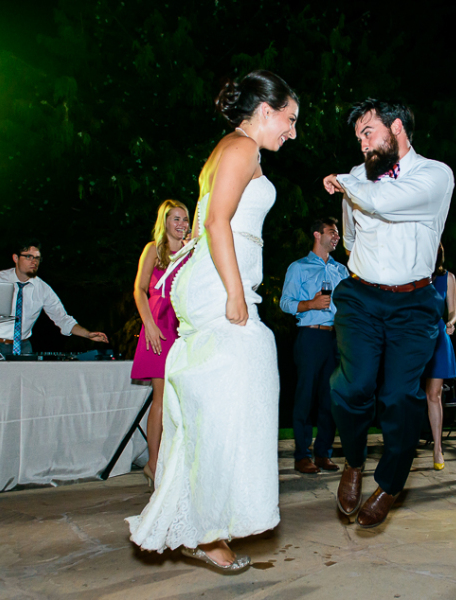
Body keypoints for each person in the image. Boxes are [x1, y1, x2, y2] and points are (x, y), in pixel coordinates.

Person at [127, 70, 298, 572]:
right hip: (219, 283)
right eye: (289, 119)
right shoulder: (242, 147)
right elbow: (217, 220)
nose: (293, 131)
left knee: (219, 406)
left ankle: (202, 524)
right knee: (231, 404)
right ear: (265, 111)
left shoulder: (238, 148)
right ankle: (206, 527)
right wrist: (235, 292)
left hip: (217, 276)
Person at [322, 98, 454, 528]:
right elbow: (352, 236)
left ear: (396, 127)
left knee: (400, 397)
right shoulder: (357, 179)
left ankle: (392, 483)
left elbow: (386, 203)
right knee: (351, 386)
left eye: (367, 132)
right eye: (358, 137)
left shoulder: (435, 175)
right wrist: (349, 183)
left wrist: (344, 181)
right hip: (361, 296)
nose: (361, 144)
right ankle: (355, 461)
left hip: (414, 303)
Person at [280, 217, 348, 474]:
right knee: (305, 398)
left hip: (335, 338)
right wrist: (310, 304)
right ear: (317, 235)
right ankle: (301, 455)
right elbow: (285, 303)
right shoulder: (298, 268)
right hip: (309, 337)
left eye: (338, 233)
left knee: (330, 399)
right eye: (332, 232)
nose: (337, 237)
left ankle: (323, 454)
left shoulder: (341, 270)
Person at [130, 199, 190, 487]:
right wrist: (149, 326)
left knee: (181, 398)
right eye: (176, 219)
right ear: (165, 222)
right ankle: (153, 463)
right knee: (161, 397)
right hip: (159, 324)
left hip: (184, 325)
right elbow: (139, 290)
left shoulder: (191, 251)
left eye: (186, 219)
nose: (182, 224)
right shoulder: (154, 249)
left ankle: (177, 459)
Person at [0, 238, 108, 357]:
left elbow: (62, 319)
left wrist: (87, 334)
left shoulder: (43, 288)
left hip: (24, 347)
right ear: (16, 258)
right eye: (29, 257)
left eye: (37, 258)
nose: (34, 262)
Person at [422, 243, 456, 471]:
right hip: (413, 336)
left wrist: (452, 322)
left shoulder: (448, 278)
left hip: (437, 336)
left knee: (433, 394)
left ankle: (437, 448)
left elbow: (452, 310)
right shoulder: (413, 275)